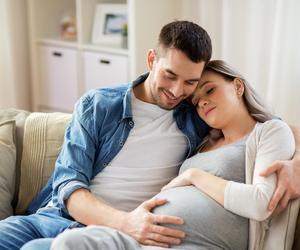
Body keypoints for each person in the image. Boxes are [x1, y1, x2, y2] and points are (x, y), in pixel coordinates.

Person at [50, 60, 298, 250]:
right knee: (68, 243)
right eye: (196, 100)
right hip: (141, 233)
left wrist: (194, 175)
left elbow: (261, 203)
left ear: (238, 85)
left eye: (210, 90)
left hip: (196, 243)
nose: (202, 102)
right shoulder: (202, 141)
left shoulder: (268, 132)